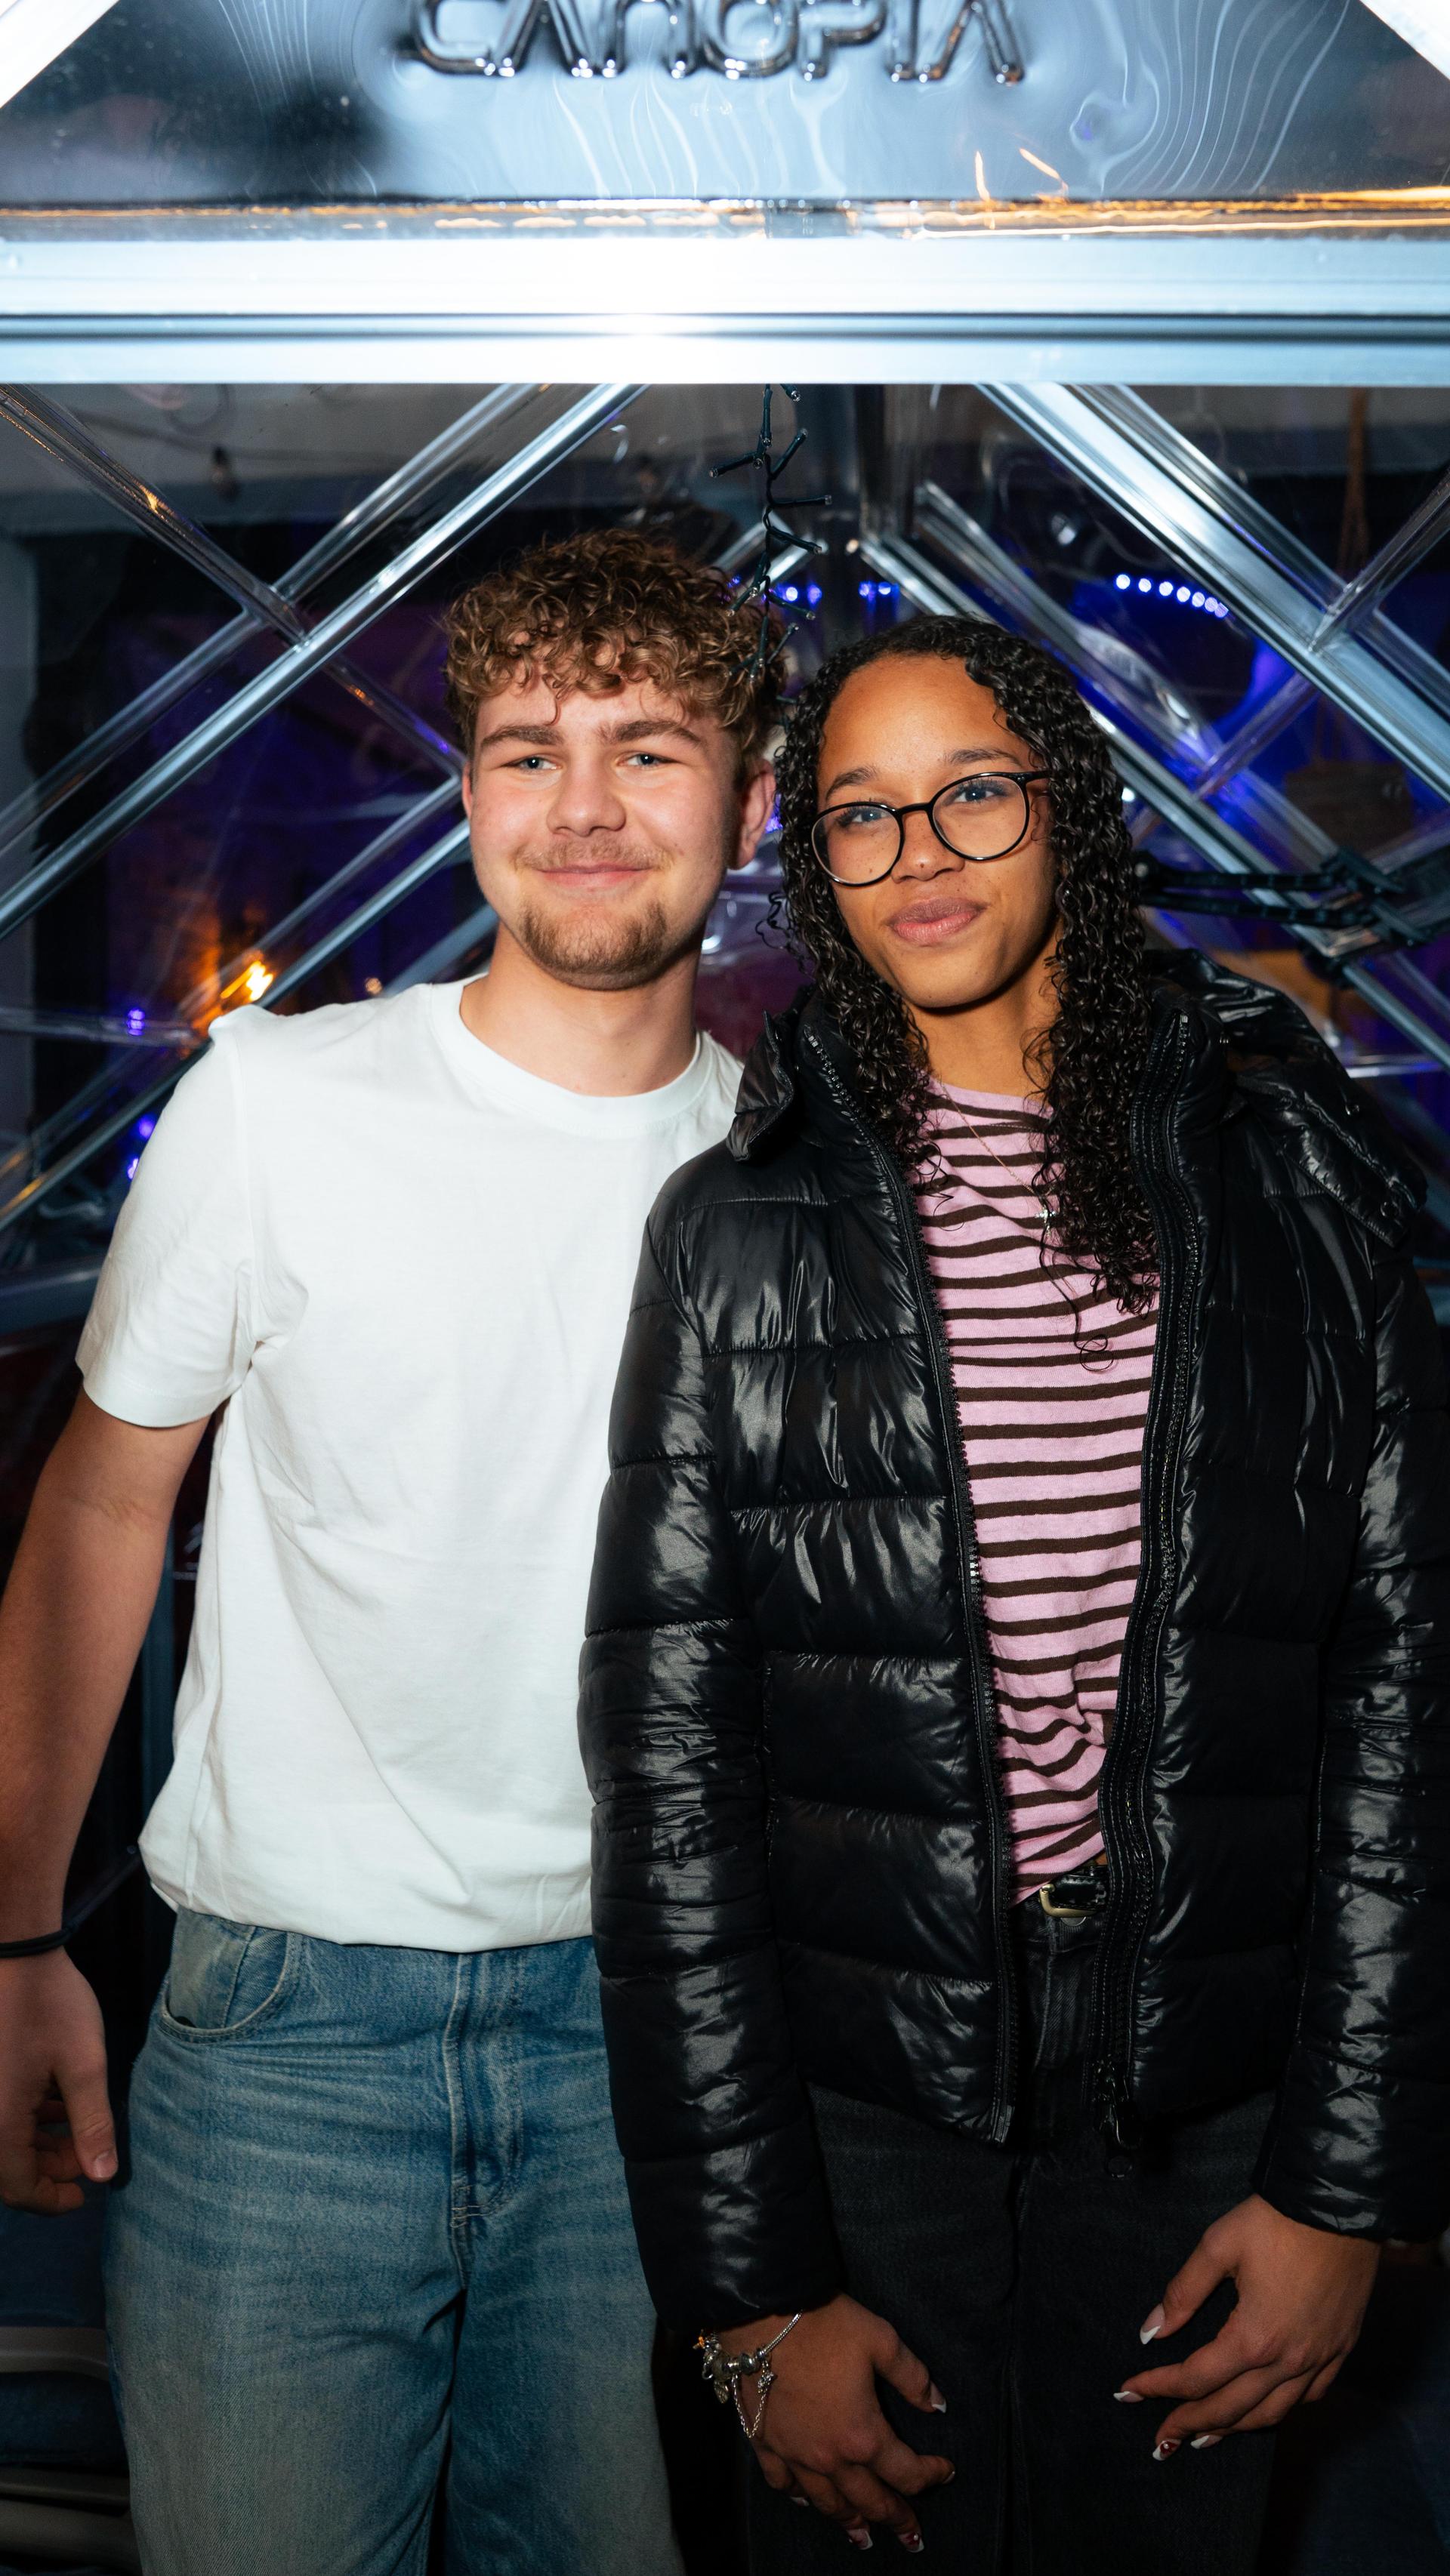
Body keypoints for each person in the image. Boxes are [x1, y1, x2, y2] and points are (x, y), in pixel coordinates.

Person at [579, 616, 1450, 2574]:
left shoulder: (1291, 1168)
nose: (923, 854)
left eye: (972, 788)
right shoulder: (739, 1225)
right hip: (866, 2095)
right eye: (863, 816)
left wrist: (1347, 2186)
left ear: (1067, 801)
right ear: (816, 862)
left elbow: (1405, 1703)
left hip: (1207, 2080)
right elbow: (673, 1775)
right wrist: (745, 2300)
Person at [0, 528, 776, 2576]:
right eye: (527, 749)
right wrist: (10, 1936)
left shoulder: (793, 1182)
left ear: (751, 801)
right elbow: (99, 1504)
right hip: (282, 2038)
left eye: (650, 747)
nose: (586, 804)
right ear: (465, 799)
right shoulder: (280, 1102)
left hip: (660, 2051)